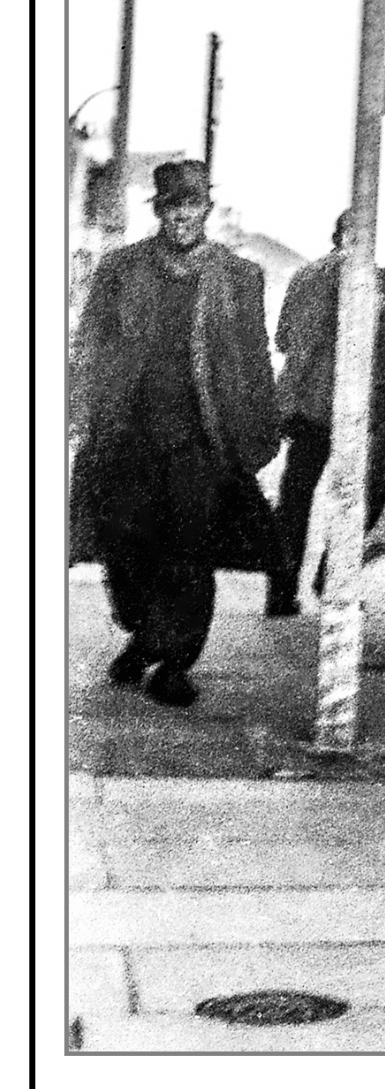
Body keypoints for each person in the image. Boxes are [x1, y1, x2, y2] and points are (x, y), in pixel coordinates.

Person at [69, 161, 280, 706]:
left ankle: (175, 662)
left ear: (206, 209)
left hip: (201, 439)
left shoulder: (238, 275)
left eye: (193, 205)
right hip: (127, 435)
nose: (184, 215)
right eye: (173, 206)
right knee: (125, 544)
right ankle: (145, 634)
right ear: (159, 211)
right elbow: (89, 344)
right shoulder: (121, 268)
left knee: (190, 550)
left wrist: (260, 429)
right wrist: (79, 411)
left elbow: (254, 356)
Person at [266, 213, 385, 614]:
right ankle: (330, 577)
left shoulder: (304, 274)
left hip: (307, 409)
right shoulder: (369, 278)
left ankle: (281, 594)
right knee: (368, 495)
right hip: (348, 410)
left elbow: (284, 340)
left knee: (295, 500)